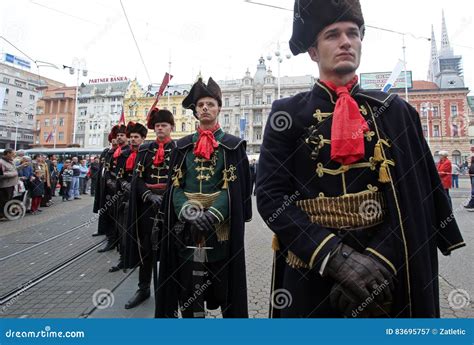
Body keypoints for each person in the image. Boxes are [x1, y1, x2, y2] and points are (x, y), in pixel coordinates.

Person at [257, 0, 465, 318]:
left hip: (386, 273)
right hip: (310, 269)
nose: (345, 42)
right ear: (313, 51)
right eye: (332, 35)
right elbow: (271, 198)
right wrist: (334, 257)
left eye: (353, 33)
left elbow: (416, 200)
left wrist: (376, 261)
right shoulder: (287, 113)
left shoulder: (397, 113)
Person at [155, 77, 252, 318]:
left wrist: (212, 214)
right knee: (189, 296)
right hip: (187, 231)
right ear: (195, 111)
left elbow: (237, 189)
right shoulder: (182, 147)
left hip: (221, 235)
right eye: (201, 105)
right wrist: (189, 211)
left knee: (225, 292)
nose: (205, 108)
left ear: (219, 108)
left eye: (210, 103)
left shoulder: (233, 146)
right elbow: (175, 187)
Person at [123, 110, 176, 309]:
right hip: (147, 207)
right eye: (157, 126)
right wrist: (148, 195)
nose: (160, 128)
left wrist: (167, 196)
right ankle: (144, 288)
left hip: (171, 207)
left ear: (171, 127)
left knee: (171, 249)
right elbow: (137, 179)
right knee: (146, 249)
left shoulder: (179, 148)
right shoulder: (145, 150)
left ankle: (170, 289)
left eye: (164, 125)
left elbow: (182, 178)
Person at [109, 121, 147, 275]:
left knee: (142, 233)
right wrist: (125, 185)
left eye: (136, 137)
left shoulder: (146, 153)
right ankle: (123, 259)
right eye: (131, 137)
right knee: (124, 231)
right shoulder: (123, 155)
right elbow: (119, 176)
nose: (132, 140)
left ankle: (141, 259)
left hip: (142, 199)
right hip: (125, 199)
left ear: (143, 138)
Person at [97, 125, 128, 253]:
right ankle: (112, 240)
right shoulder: (112, 152)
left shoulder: (129, 151)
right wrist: (109, 180)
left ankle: (121, 245)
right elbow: (107, 169)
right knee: (110, 216)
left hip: (123, 191)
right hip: (110, 191)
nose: (119, 137)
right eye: (118, 135)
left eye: (122, 135)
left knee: (121, 220)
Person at [92, 134, 117, 238]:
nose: (115, 140)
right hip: (102, 182)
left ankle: (110, 233)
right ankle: (101, 229)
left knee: (110, 209)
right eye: (113, 138)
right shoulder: (106, 152)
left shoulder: (118, 152)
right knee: (102, 207)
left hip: (111, 184)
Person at [0, 149, 19, 219]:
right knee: (3, 200)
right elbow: (1, 174)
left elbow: (14, 169)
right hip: (5, 185)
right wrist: (13, 174)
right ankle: (1, 215)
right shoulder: (1, 162)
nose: (14, 155)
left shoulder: (11, 161)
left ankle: (6, 213)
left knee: (9, 200)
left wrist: (22, 166)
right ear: (8, 153)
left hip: (11, 184)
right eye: (13, 153)